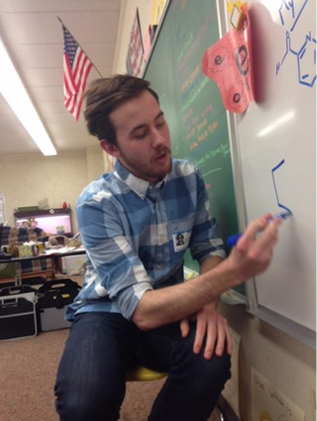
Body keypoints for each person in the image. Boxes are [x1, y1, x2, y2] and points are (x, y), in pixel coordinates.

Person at [55, 74, 281, 421]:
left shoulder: (189, 177)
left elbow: (209, 249)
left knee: (212, 359)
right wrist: (230, 275)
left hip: (170, 307)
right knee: (83, 403)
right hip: (107, 312)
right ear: (111, 148)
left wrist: (206, 300)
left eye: (160, 122)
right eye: (141, 134)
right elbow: (141, 309)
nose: (160, 140)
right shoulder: (96, 203)